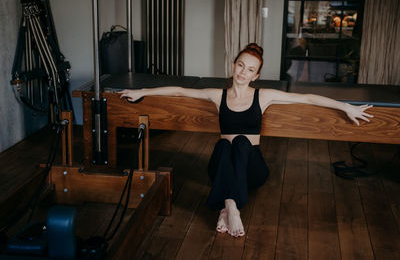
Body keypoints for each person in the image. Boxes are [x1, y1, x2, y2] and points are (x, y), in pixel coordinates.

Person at [119, 43, 373, 238]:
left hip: (253, 170)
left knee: (241, 142)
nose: (243, 72)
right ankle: (231, 207)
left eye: (250, 69)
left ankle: (226, 205)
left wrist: (345, 107)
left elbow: (307, 98)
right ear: (233, 65)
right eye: (241, 65)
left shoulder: (263, 96)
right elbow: (179, 90)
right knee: (223, 145)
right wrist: (142, 91)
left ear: (256, 75)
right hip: (222, 166)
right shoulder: (217, 95)